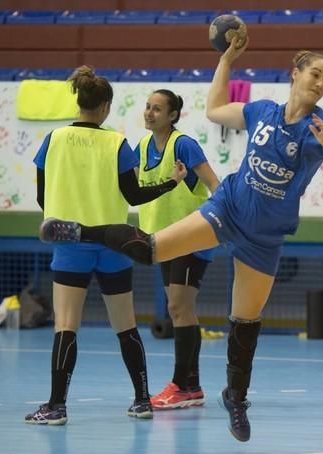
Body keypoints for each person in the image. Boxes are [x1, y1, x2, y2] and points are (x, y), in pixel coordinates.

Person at [38, 38, 323, 441]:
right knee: (151, 249)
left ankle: (236, 398)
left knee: (245, 321)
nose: (321, 83)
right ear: (295, 74)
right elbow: (213, 109)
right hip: (226, 210)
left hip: (265, 237)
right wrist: (226, 60)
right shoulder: (262, 111)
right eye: (315, 73)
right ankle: (79, 231)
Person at [25, 66, 187, 425]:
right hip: (115, 243)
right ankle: (143, 400)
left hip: (71, 243)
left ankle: (56, 407)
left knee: (66, 325)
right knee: (126, 326)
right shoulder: (117, 142)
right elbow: (133, 194)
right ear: (106, 107)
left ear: (79, 101)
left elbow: (41, 193)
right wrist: (171, 183)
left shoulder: (53, 139)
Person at [136, 89, 220, 410]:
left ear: (172, 116)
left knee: (179, 307)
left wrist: (221, 222)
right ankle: (192, 386)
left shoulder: (182, 144)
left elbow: (214, 184)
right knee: (179, 310)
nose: (149, 113)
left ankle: (181, 385)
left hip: (191, 235)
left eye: (157, 109)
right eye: (147, 107)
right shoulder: (142, 147)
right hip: (163, 240)